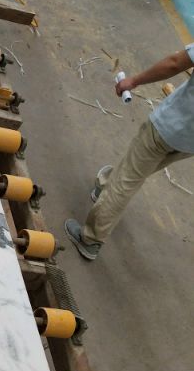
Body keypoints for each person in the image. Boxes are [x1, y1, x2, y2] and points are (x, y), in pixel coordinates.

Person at [65, 44, 194, 260]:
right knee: (137, 167)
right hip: (189, 143)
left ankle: (90, 239)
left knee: (126, 183)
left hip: (169, 126)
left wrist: (133, 81)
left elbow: (175, 63)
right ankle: (104, 186)